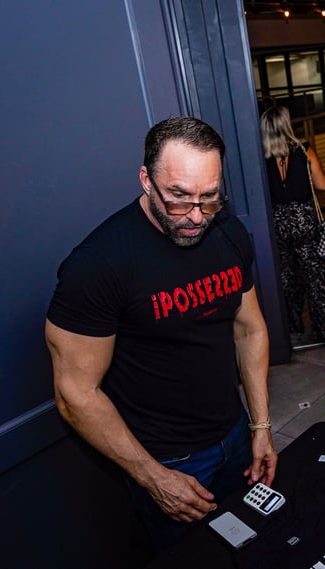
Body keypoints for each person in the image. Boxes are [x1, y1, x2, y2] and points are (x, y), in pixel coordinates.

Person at [45, 117, 277, 550]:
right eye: (178, 197)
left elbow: (248, 330)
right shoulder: (98, 265)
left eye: (209, 198)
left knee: (253, 546)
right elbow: (75, 393)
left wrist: (260, 424)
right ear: (146, 179)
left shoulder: (227, 232)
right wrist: (154, 477)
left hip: (235, 433)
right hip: (169, 461)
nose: (195, 216)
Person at [260, 105, 325, 344]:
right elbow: (322, 185)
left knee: (286, 277)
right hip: (304, 222)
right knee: (317, 277)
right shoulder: (304, 150)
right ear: (287, 125)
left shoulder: (260, 159)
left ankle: (292, 324)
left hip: (278, 224)